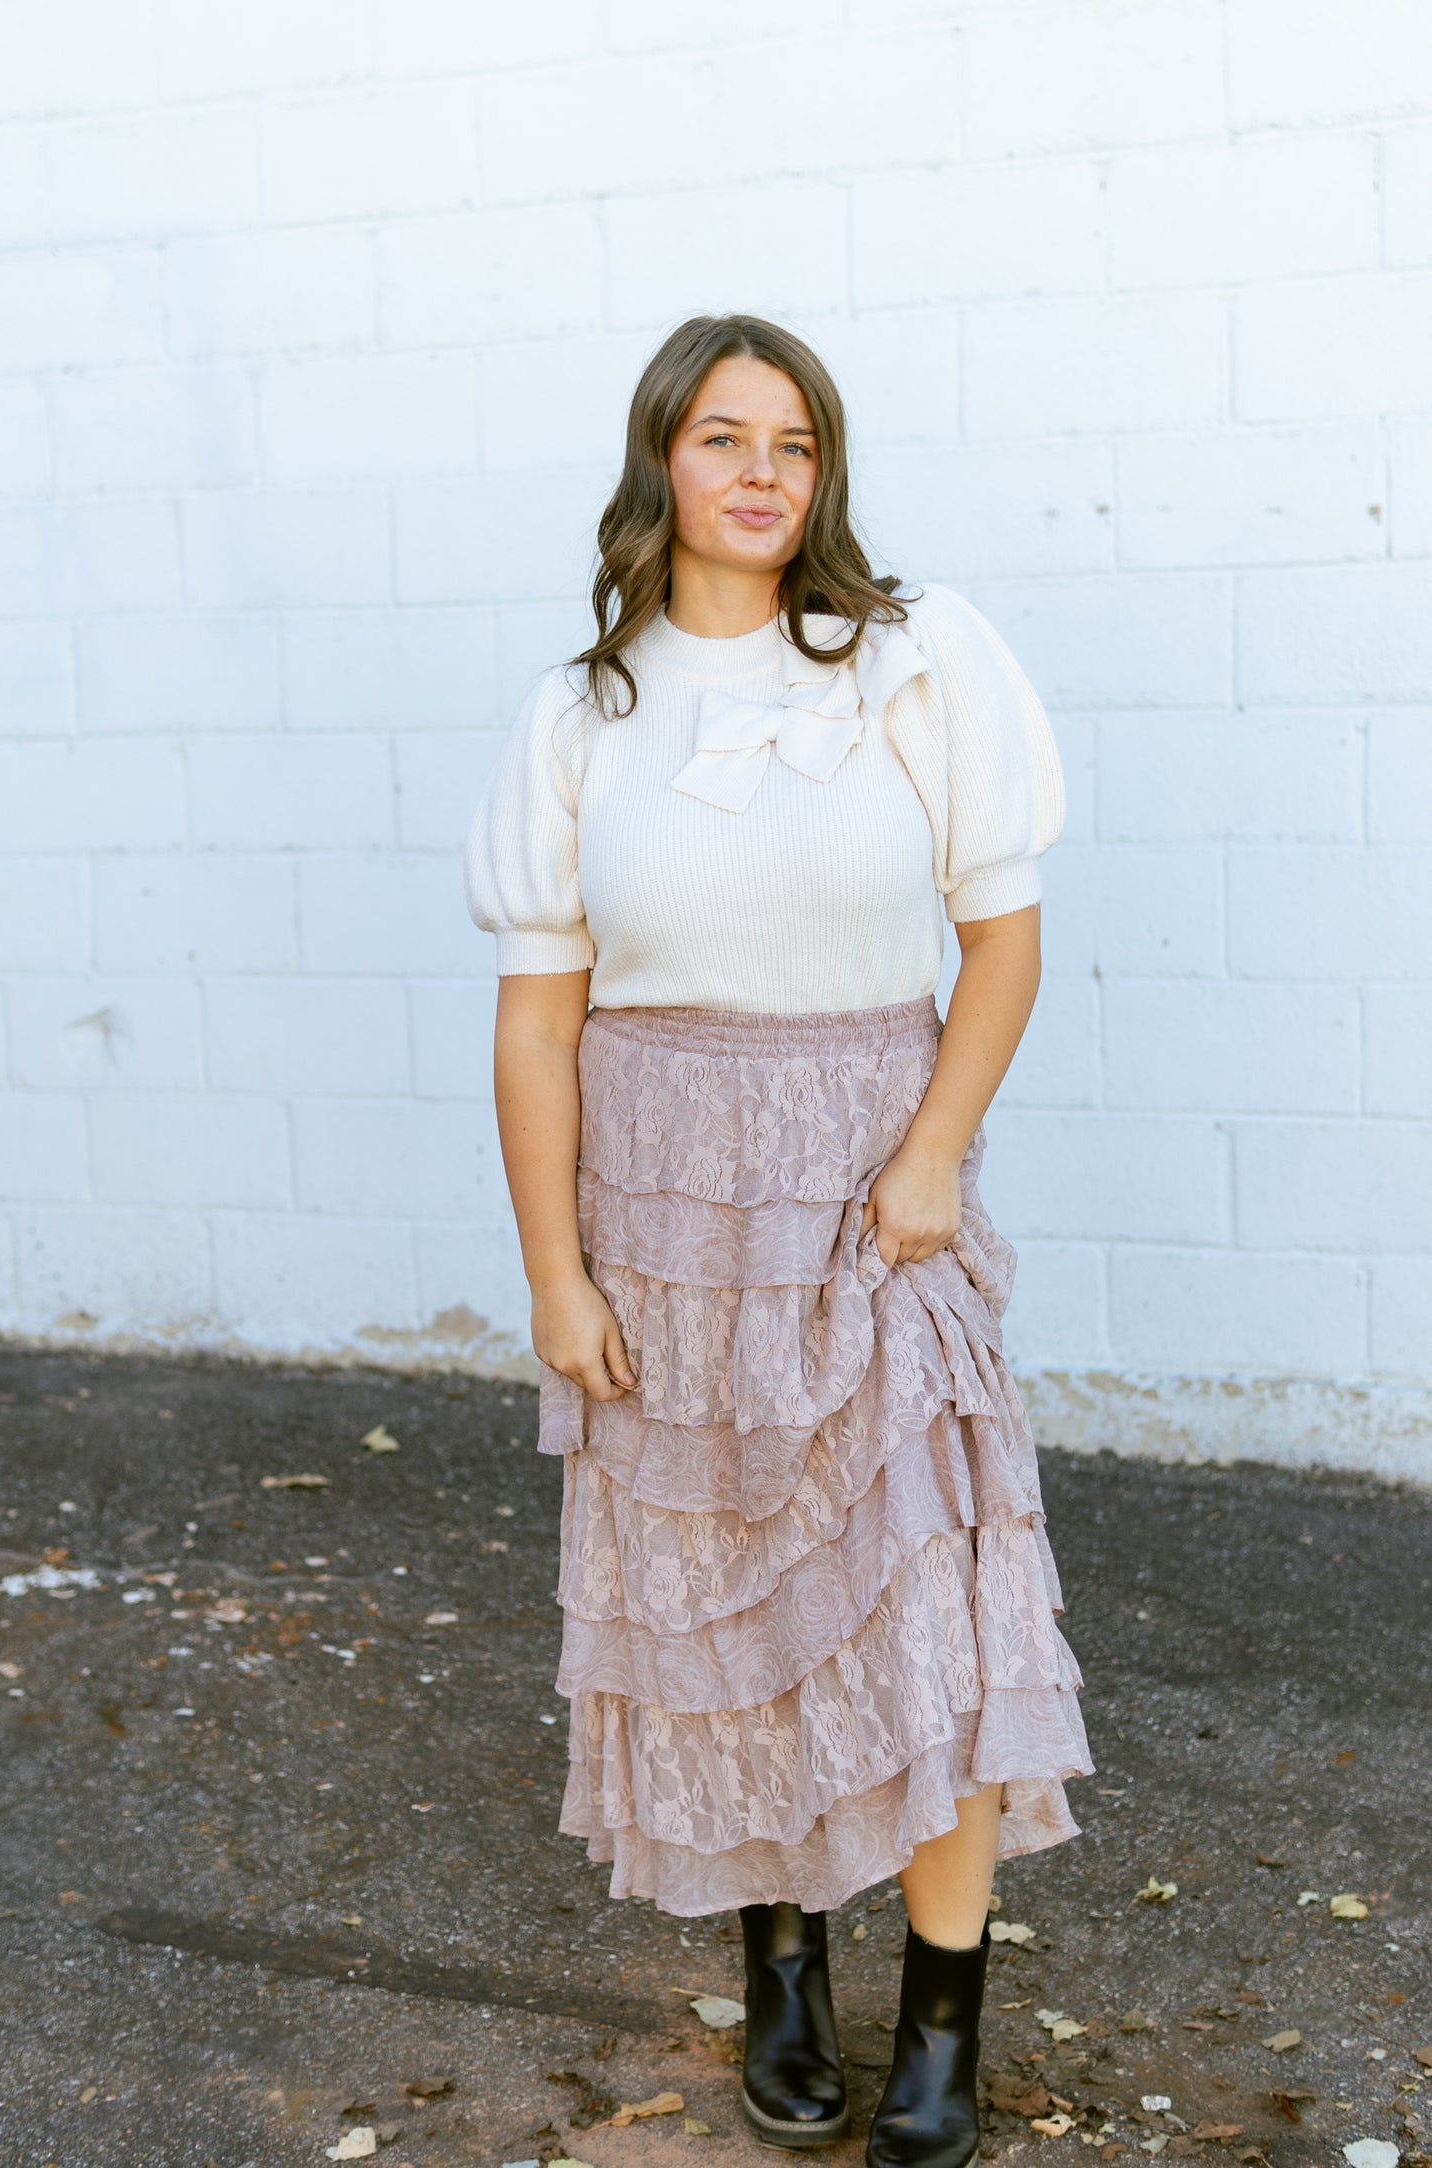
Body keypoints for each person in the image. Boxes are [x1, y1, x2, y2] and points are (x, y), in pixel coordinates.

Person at [465, 312, 1093, 2168]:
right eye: (726, 436)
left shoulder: (911, 660)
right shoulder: (586, 713)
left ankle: (945, 2020)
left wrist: (930, 1157)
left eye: (796, 445)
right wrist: (553, 1275)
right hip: (660, 1207)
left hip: (874, 1181)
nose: (762, 473)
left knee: (942, 1604)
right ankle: (785, 1977)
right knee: (732, 1609)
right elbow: (535, 1022)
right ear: (661, 455)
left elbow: (1002, 938)